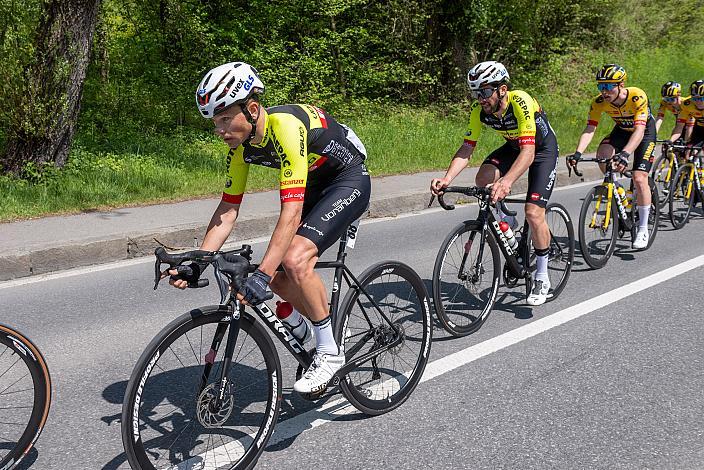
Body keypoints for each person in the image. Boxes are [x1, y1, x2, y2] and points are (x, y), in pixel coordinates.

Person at [169, 61, 371, 395]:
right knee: (276, 277)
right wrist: (199, 260)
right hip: (315, 185)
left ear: (251, 109)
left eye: (223, 119)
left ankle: (329, 352)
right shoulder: (241, 147)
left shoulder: (285, 127)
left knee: (293, 260)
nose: (219, 130)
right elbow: (227, 210)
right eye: (214, 122)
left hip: (346, 179)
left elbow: (290, 213)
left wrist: (261, 274)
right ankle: (319, 332)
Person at [430, 61, 559, 306]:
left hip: (541, 150)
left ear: (502, 89)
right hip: (513, 148)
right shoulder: (479, 111)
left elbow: (529, 151)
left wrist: (507, 181)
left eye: (485, 91)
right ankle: (506, 221)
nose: (480, 98)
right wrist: (447, 179)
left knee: (533, 213)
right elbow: (468, 147)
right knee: (483, 180)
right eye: (475, 93)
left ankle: (542, 275)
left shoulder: (519, 101)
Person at [567, 63, 655, 250]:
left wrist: (625, 154)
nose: (604, 91)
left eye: (608, 86)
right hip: (622, 130)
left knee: (640, 178)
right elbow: (591, 128)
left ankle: (643, 228)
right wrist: (577, 153)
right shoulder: (599, 102)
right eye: (600, 86)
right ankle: (618, 190)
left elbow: (639, 130)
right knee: (603, 156)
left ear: (621, 84)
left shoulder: (637, 96)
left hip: (644, 132)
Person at [668, 80, 704, 148]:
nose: (698, 101)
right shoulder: (686, 104)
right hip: (699, 128)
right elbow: (679, 127)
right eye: (695, 98)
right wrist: (670, 141)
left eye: (702, 98)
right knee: (689, 150)